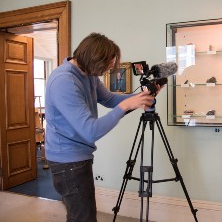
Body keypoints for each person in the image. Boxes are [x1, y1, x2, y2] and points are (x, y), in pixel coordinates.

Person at [45, 32, 158, 222]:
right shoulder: (64, 81)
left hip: (77, 157)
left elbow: (109, 99)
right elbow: (91, 131)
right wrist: (126, 106)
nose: (109, 68)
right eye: (108, 64)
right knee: (84, 217)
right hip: (67, 161)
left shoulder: (87, 74)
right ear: (94, 58)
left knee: (80, 215)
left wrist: (140, 98)